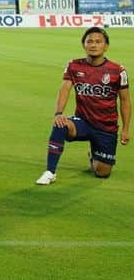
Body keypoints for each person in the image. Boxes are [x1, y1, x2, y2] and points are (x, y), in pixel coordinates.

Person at [36, 27, 130, 185]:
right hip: (83, 122)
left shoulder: (118, 70)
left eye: (98, 42)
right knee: (60, 124)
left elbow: (125, 100)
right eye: (90, 41)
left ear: (106, 46)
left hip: (106, 128)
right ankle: (50, 171)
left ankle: (94, 154)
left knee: (102, 173)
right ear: (84, 45)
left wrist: (126, 129)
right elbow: (65, 88)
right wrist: (58, 113)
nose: (93, 45)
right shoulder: (74, 65)